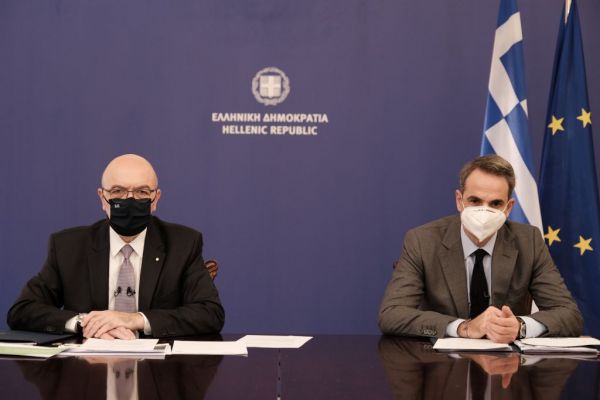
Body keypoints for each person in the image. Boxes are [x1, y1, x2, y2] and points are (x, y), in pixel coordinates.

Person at [7, 154, 224, 339]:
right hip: (87, 368)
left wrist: (135, 320)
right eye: (118, 191)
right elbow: (23, 310)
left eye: (141, 192)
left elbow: (210, 313)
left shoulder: (183, 243)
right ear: (103, 198)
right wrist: (86, 323)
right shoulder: (68, 246)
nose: (129, 200)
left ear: (155, 199)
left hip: (158, 369)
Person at [379, 155, 583, 343]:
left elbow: (569, 314)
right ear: (459, 201)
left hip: (506, 364)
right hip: (441, 364)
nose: (484, 210)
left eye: (495, 203)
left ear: (508, 208)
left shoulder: (528, 241)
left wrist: (519, 326)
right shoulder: (422, 241)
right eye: (475, 201)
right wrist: (463, 327)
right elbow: (391, 314)